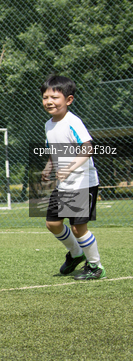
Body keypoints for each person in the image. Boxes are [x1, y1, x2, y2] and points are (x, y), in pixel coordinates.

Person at [40, 75, 104, 280]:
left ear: (68, 100)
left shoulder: (72, 122)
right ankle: (76, 254)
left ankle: (95, 266)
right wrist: (49, 166)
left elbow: (88, 148)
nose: (49, 101)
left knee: (78, 228)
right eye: (45, 97)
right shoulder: (48, 124)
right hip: (64, 184)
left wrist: (69, 169)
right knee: (53, 223)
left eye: (54, 97)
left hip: (82, 183)